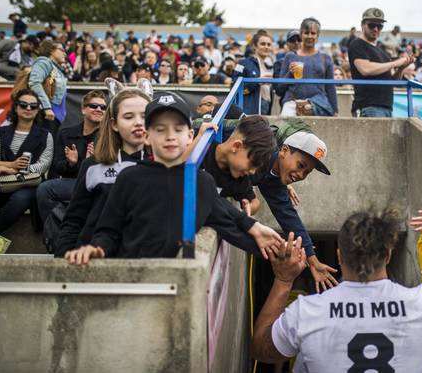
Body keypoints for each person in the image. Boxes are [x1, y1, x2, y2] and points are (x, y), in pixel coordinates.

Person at [251, 208, 422, 371]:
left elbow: (262, 349)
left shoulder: (306, 311)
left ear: (339, 255)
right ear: (388, 254)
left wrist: (283, 280)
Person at [64, 93, 284, 263]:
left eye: (178, 129)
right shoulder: (128, 177)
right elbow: (105, 230)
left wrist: (270, 243)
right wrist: (92, 249)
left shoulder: (200, 181)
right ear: (148, 136)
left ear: (190, 136)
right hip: (123, 277)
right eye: (160, 129)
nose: (169, 136)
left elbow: (224, 220)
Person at [54, 83, 152, 257]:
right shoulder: (92, 165)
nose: (138, 122)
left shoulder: (160, 166)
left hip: (141, 262)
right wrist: (63, 258)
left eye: (144, 116)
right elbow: (73, 220)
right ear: (114, 124)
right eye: (128, 116)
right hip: (91, 260)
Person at [251, 131, 338, 292]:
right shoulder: (258, 149)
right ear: (284, 150)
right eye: (301, 165)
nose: (300, 175)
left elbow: (289, 218)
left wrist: (313, 261)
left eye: (306, 172)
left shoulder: (275, 180)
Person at [0, 89, 53, 234]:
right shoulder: (1, 131)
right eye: (23, 104)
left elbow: (44, 165)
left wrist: (13, 171)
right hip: (2, 179)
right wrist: (10, 166)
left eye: (33, 106)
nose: (28, 108)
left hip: (29, 184)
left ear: (38, 110)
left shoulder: (46, 135)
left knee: (20, 199)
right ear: (15, 107)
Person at [36, 90, 106, 222]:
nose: (99, 109)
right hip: (73, 182)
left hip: (99, 184)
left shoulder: (108, 137)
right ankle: (56, 232)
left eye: (103, 107)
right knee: (44, 189)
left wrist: (92, 162)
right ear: (83, 109)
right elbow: (56, 165)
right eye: (94, 106)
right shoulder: (66, 134)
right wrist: (71, 164)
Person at [200, 115, 275, 216]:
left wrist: (250, 207)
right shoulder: (199, 145)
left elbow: (254, 202)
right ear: (236, 146)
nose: (252, 172)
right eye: (252, 164)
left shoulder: (239, 179)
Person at [348, 8, 414, 117]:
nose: (375, 29)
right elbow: (366, 69)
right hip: (368, 105)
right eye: (372, 25)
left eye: (379, 26)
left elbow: (393, 82)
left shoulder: (382, 52)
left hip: (386, 106)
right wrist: (396, 63)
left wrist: (401, 68)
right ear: (362, 25)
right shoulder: (357, 44)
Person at [279, 17, 338, 117]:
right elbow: (279, 88)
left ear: (317, 36)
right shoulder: (290, 56)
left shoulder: (326, 58)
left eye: (313, 33)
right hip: (292, 104)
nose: (309, 36)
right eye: (306, 33)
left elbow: (330, 87)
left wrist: (335, 111)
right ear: (301, 35)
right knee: (285, 130)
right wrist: (290, 74)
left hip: (318, 105)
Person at [29, 40, 69, 135]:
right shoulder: (44, 62)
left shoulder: (56, 68)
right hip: (46, 115)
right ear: (51, 50)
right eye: (62, 50)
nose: (65, 54)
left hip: (53, 116)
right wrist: (46, 107)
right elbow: (34, 83)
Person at [233, 31, 275, 115]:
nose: (266, 47)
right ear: (254, 46)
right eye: (263, 44)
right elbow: (235, 86)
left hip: (267, 106)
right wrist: (257, 81)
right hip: (250, 107)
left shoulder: (270, 66)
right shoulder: (244, 63)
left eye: (269, 44)